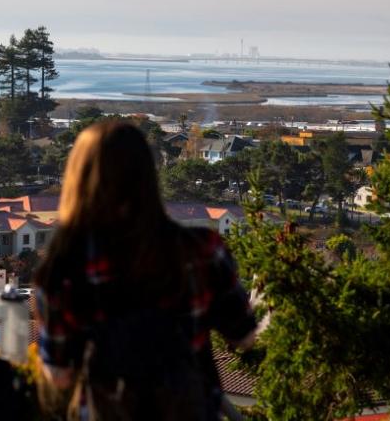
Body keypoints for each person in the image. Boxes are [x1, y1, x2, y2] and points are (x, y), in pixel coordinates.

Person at [34, 122, 257, 420]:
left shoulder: (62, 270)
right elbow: (243, 336)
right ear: (148, 176)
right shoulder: (202, 251)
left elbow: (60, 374)